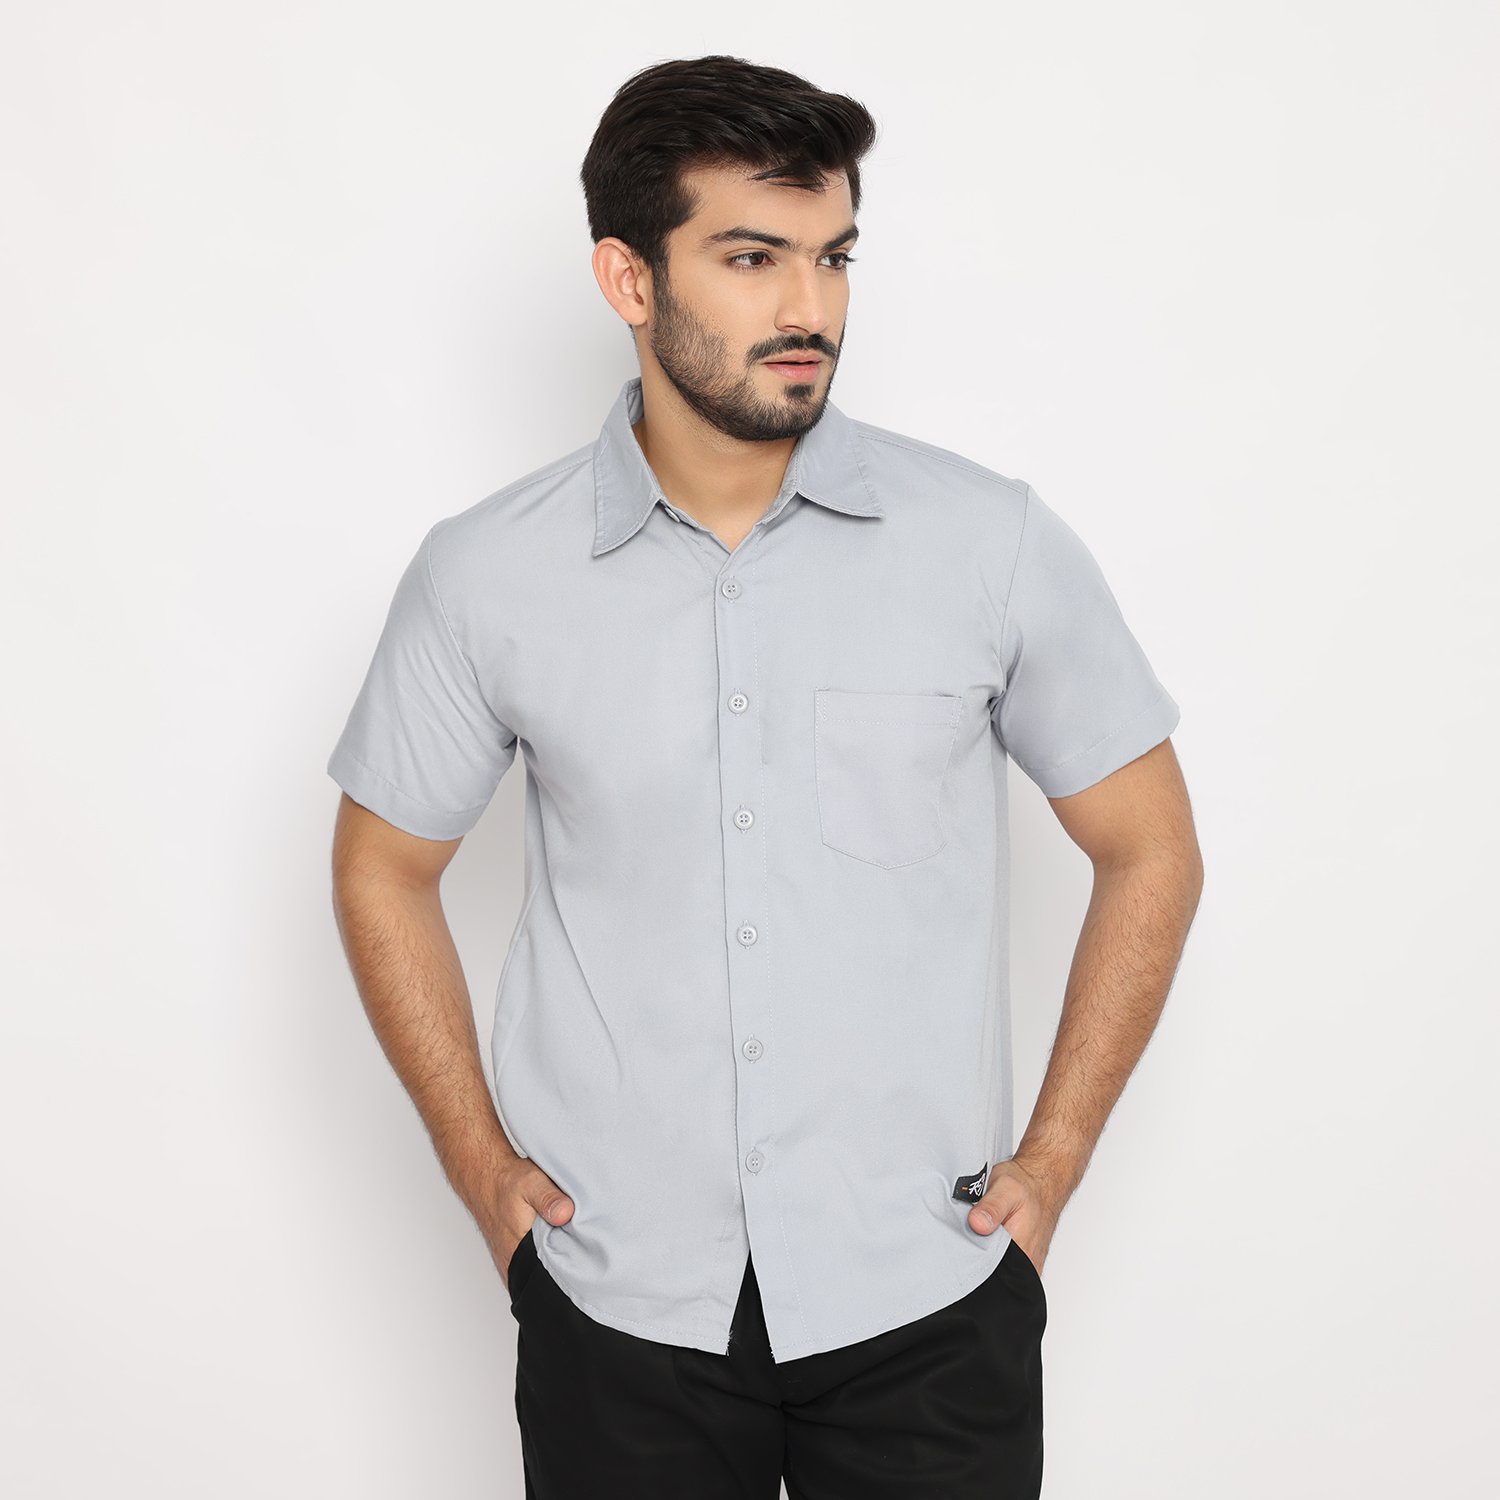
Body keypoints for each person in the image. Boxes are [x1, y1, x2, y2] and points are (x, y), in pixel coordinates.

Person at [325, 52, 1203, 1500]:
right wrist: (483, 1172)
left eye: (833, 257)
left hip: (927, 1293)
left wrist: (1051, 1165)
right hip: (618, 1304)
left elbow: (1150, 845)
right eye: (752, 258)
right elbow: (383, 864)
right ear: (628, 278)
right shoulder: (486, 576)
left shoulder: (987, 545)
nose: (811, 308)